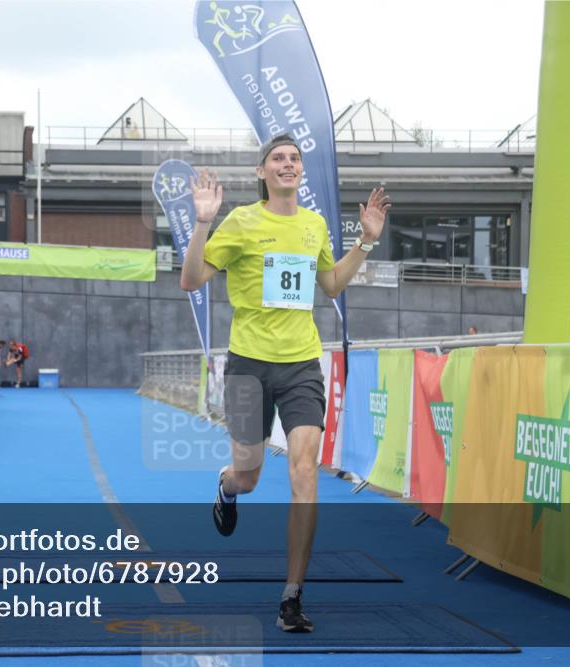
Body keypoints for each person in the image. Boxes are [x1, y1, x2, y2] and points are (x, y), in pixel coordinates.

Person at [180, 134, 390, 633]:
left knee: (304, 472)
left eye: (295, 158)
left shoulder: (314, 224)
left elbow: (331, 284)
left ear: (301, 170)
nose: (288, 163)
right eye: (278, 158)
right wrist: (203, 223)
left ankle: (292, 595)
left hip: (300, 365)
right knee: (249, 474)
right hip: (249, 365)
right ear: (262, 172)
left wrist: (365, 241)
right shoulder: (241, 221)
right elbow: (191, 280)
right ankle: (227, 487)